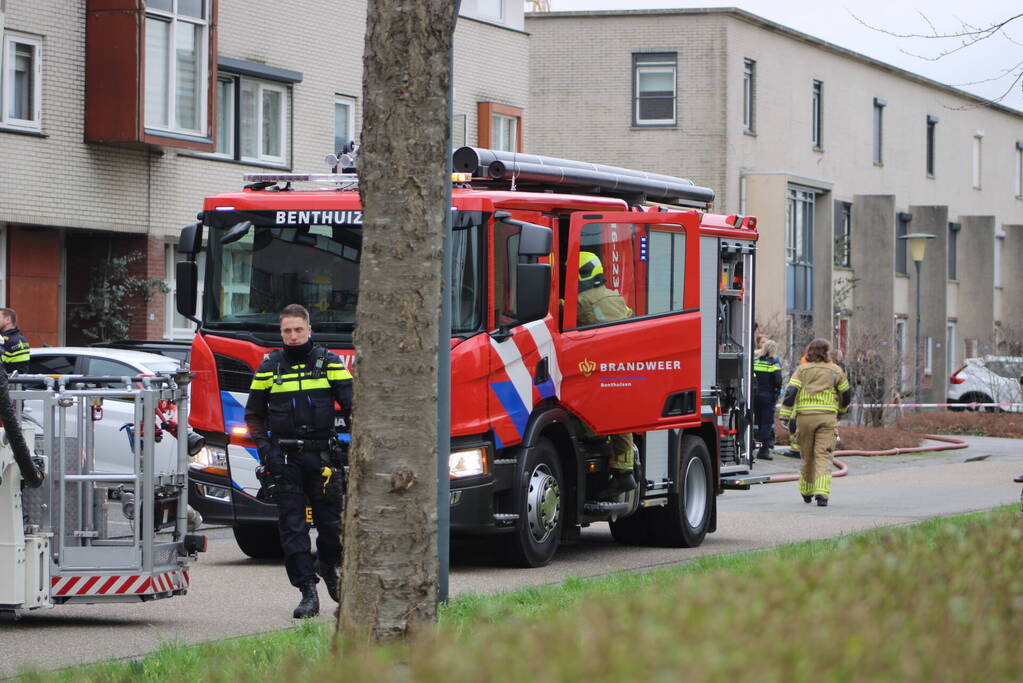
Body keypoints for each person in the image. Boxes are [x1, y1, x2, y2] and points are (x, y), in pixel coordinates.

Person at [245, 304, 352, 618]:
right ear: (281, 333)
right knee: (293, 530)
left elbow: (353, 407)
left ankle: (328, 563)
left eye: (298, 330)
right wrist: (267, 452)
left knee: (332, 528)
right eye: (287, 331)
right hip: (285, 460)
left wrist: (353, 451)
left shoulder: (330, 363)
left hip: (323, 459)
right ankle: (308, 591)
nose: (293, 336)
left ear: (309, 330)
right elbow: (253, 415)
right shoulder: (269, 367)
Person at [577, 251, 637, 499]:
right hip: (621, 364)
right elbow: (631, 318)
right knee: (621, 417)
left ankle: (598, 444)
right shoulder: (615, 296)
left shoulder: (582, 300)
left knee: (583, 409)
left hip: (596, 366)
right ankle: (625, 470)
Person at [777, 338, 851, 507]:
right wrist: (841, 411)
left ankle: (806, 491)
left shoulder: (802, 370)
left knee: (807, 455)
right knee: (823, 455)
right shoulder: (835, 371)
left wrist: (785, 416)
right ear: (827, 352)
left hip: (805, 418)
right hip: (827, 417)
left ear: (809, 352)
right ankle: (822, 494)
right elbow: (846, 395)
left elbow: (790, 392)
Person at [752, 339, 783, 461]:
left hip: (755, 396)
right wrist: (777, 392)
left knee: (758, 423)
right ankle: (763, 450)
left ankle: (753, 447)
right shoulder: (773, 363)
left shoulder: (756, 361)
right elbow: (778, 380)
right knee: (766, 424)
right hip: (768, 397)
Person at [0, 308, 30, 375]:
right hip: (21, 381)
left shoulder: (3, 340)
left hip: (6, 382)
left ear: (8, 319)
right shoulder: (22, 339)